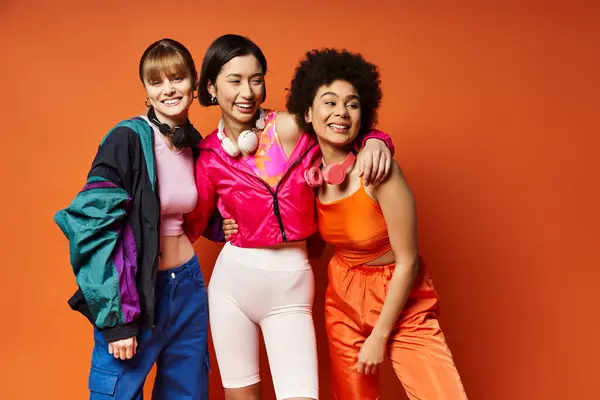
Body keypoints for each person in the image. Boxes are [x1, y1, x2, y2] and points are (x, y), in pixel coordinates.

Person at [183, 34, 395, 400]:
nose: (247, 91)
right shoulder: (207, 153)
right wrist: (219, 227)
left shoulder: (290, 126)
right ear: (212, 87)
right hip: (231, 286)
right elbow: (194, 221)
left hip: (291, 285)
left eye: (256, 78)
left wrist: (378, 140)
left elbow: (339, 121)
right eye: (234, 80)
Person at [280, 48, 469, 400]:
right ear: (308, 111)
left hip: (401, 294)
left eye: (352, 104)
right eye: (330, 102)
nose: (341, 112)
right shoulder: (309, 175)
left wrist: (380, 335)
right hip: (343, 297)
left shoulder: (380, 171)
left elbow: (408, 261)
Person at [54, 38, 218, 400]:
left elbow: (205, 209)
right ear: (146, 91)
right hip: (137, 294)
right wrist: (117, 320)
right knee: (117, 393)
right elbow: (91, 228)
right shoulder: (127, 139)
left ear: (194, 84)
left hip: (188, 287)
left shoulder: (195, 144)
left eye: (176, 78)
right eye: (156, 81)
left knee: (186, 394)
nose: (168, 89)